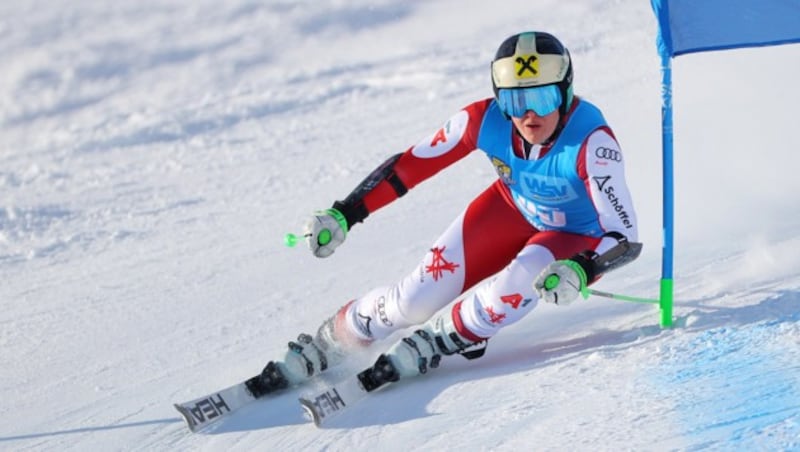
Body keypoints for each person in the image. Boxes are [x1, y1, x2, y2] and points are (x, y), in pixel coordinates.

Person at [250, 31, 641, 395]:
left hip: (573, 235)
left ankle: (450, 334)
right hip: (508, 211)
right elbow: (409, 166)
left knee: (524, 275)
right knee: (412, 301)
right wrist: (345, 214)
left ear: (566, 91)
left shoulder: (593, 143)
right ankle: (333, 340)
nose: (528, 116)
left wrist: (582, 268)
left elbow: (623, 237)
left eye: (542, 99)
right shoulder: (482, 119)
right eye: (514, 101)